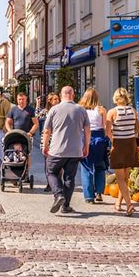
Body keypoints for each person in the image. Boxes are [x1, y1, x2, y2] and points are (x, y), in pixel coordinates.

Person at [42, 86, 90, 214]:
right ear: (73, 95)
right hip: (75, 151)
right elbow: (87, 130)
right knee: (70, 178)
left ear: (61, 95)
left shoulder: (54, 109)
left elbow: (47, 131)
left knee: (51, 172)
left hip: (57, 150)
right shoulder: (81, 110)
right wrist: (86, 146)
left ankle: (58, 195)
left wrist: (45, 146)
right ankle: (66, 206)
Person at [106, 88, 139, 217]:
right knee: (125, 178)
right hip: (131, 144)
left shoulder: (112, 112)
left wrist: (113, 140)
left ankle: (129, 205)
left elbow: (107, 131)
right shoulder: (133, 111)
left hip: (119, 145)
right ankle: (118, 203)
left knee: (120, 178)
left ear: (116, 98)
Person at [78, 88, 111, 204]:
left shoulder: (80, 110)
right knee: (100, 167)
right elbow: (105, 128)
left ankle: (89, 196)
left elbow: (79, 126)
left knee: (86, 168)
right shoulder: (101, 110)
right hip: (99, 140)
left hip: (85, 139)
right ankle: (99, 192)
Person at [37, 92, 60, 192]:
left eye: (57, 99)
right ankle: (49, 183)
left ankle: (58, 182)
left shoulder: (61, 110)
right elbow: (37, 116)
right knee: (47, 162)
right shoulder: (46, 111)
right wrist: (37, 105)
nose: (57, 101)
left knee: (59, 162)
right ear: (50, 101)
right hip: (47, 138)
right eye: (55, 99)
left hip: (58, 138)